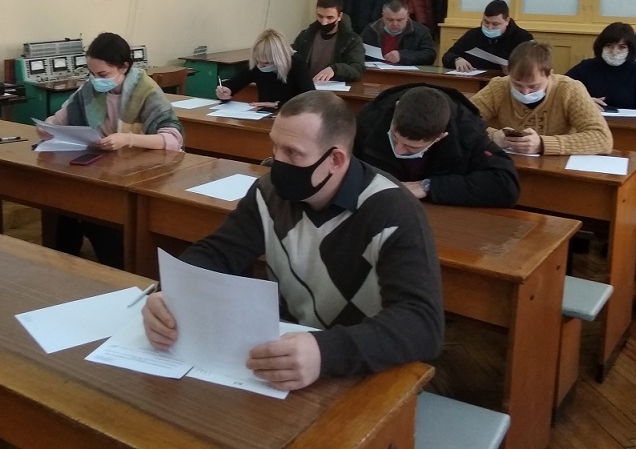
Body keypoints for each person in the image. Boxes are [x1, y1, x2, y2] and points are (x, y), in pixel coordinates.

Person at [142, 91, 444, 391]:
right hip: (288, 357)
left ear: (335, 159)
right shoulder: (268, 194)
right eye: (275, 146)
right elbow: (218, 252)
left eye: (292, 152)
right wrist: (170, 294)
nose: (277, 161)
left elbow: (421, 323)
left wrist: (325, 352)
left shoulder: (393, 211)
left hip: (364, 368)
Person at [40, 32, 183, 268]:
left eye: (103, 74)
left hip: (141, 171)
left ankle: (116, 265)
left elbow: (173, 139)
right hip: (104, 166)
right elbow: (58, 119)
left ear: (124, 67)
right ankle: (63, 262)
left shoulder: (147, 91)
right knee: (67, 198)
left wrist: (128, 139)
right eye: (92, 73)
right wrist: (47, 128)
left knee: (95, 209)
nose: (96, 80)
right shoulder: (90, 89)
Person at [355, 84, 519, 207]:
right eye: (394, 138)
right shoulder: (370, 119)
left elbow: (506, 185)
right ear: (396, 110)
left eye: (412, 148)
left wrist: (429, 186)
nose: (399, 150)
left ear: (441, 136)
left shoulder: (467, 132)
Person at [471, 40, 613, 155]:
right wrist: (493, 136)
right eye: (517, 85)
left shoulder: (569, 89)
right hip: (508, 164)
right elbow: (463, 121)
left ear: (549, 74)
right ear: (509, 72)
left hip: (556, 169)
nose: (525, 92)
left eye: (534, 86)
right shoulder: (499, 86)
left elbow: (602, 138)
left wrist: (542, 144)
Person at [215, 29, 313, 110]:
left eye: (266, 63)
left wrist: (276, 104)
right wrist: (225, 91)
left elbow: (310, 98)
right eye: (258, 61)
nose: (260, 66)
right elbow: (234, 83)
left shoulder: (296, 63)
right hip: (264, 115)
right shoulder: (257, 64)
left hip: (291, 114)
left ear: (280, 59)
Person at [566, 22, 636, 111]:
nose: (614, 52)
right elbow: (561, 88)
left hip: (627, 119)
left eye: (622, 47)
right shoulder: (585, 67)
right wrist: (583, 101)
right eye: (609, 46)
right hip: (590, 116)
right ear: (601, 46)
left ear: (630, 49)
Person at [441, 0, 534, 72]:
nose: (489, 27)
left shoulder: (523, 38)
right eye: (486, 22)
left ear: (507, 21)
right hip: (475, 80)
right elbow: (448, 55)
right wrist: (456, 59)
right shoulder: (473, 35)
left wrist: (515, 70)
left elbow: (532, 66)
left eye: (495, 24)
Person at [292, 0, 366, 82]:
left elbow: (357, 69)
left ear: (339, 16)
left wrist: (335, 69)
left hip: (334, 87)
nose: (324, 22)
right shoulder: (305, 36)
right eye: (320, 16)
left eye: (330, 18)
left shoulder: (352, 40)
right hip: (307, 85)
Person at [360, 0, 436, 66]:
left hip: (405, 73)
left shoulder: (420, 31)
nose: (395, 24)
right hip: (376, 71)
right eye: (390, 20)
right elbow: (358, 50)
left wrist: (402, 56)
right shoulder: (371, 29)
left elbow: (430, 55)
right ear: (383, 16)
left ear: (407, 17)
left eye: (399, 20)